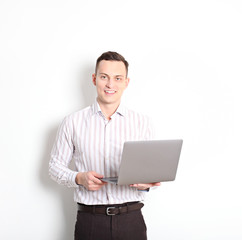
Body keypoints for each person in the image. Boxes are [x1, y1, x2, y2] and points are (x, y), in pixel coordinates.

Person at [49, 51, 161, 240]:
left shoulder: (142, 123)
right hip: (90, 222)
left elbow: (151, 175)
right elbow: (54, 167)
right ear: (94, 79)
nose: (110, 84)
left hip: (131, 221)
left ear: (126, 82)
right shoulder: (72, 122)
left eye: (118, 78)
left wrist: (147, 184)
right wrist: (78, 178)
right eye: (104, 77)